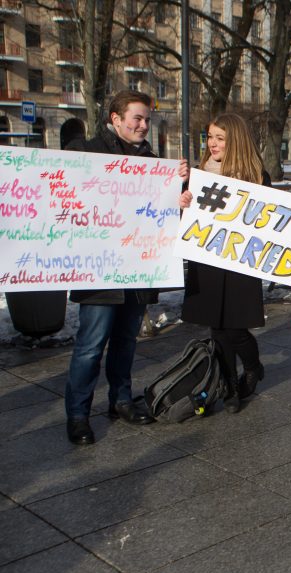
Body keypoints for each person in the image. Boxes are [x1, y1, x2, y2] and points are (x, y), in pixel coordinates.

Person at [64, 90, 188, 445]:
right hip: (100, 271)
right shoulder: (86, 153)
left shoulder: (152, 161)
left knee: (125, 343)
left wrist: (177, 194)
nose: (143, 125)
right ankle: (77, 414)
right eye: (136, 118)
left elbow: (161, 215)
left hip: (138, 270)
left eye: (147, 119)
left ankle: (120, 400)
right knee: (90, 345)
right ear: (115, 119)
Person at [178, 113, 268, 414]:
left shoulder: (256, 175)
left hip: (240, 264)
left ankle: (253, 367)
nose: (212, 144)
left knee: (236, 329)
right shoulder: (197, 174)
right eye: (210, 137)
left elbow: (270, 220)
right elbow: (185, 218)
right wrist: (183, 201)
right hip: (209, 262)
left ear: (235, 142)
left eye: (220, 138)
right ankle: (229, 386)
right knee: (217, 329)